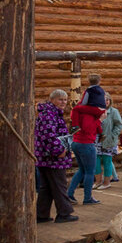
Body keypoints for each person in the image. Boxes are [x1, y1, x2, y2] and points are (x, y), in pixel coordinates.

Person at [34, 89, 78, 223]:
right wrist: (59, 150)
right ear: (52, 100)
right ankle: (64, 213)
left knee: (46, 187)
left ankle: (41, 214)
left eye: (65, 99)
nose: (63, 102)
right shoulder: (49, 114)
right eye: (60, 99)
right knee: (59, 185)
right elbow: (49, 135)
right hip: (52, 157)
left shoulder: (51, 113)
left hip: (45, 157)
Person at [66, 79, 105, 206]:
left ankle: (70, 194)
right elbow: (89, 128)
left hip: (77, 143)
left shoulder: (81, 111)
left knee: (82, 170)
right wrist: (100, 120)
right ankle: (87, 197)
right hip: (86, 143)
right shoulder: (88, 114)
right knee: (90, 171)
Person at [94, 92, 122, 189]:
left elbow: (119, 125)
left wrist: (113, 135)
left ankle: (107, 182)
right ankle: (98, 181)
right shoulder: (95, 111)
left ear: (110, 101)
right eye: (103, 99)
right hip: (96, 140)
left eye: (107, 99)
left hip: (108, 140)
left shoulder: (113, 111)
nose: (105, 101)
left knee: (107, 160)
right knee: (96, 161)